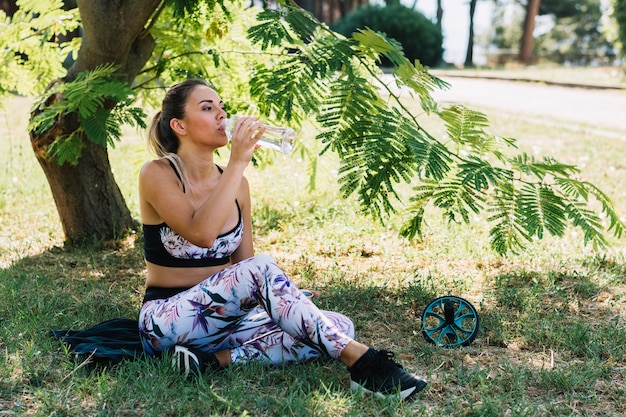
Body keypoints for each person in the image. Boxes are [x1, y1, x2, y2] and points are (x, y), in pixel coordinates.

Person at [137, 78, 427, 400]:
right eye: (208, 108)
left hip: (227, 325)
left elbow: (244, 265)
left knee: (337, 325)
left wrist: (285, 299)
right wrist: (238, 161)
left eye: (222, 107)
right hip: (167, 323)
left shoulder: (237, 185)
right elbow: (202, 234)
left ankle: (212, 362)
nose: (222, 115)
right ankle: (363, 363)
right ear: (179, 125)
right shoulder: (157, 173)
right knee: (270, 279)